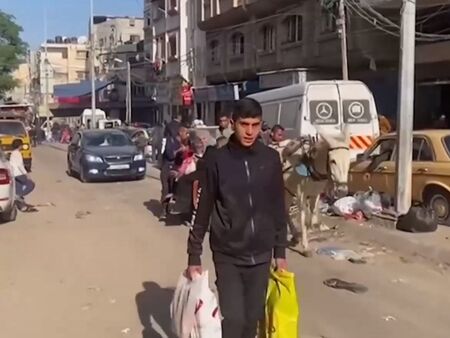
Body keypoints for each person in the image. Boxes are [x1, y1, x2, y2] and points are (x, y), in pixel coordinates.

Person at [187, 98, 288, 338]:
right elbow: (205, 206)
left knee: (252, 319)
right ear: (233, 123)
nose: (250, 131)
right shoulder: (217, 160)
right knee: (233, 320)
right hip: (228, 253)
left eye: (255, 125)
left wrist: (280, 252)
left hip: (261, 254)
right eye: (244, 124)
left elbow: (277, 207)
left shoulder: (270, 159)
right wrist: (194, 253)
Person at [159, 125, 190, 220]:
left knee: (175, 190)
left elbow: (189, 155)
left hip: (178, 168)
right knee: (166, 189)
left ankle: (174, 209)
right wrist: (180, 151)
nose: (187, 135)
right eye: (186, 133)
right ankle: (164, 210)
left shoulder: (186, 142)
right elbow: (170, 154)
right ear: (180, 133)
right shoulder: (170, 140)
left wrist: (187, 152)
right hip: (167, 168)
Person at [9, 139, 35, 207]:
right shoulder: (18, 153)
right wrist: (26, 174)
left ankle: (20, 202)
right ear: (19, 146)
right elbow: (20, 165)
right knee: (31, 184)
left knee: (18, 188)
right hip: (19, 173)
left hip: (13, 174)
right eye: (22, 145)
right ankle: (18, 196)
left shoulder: (12, 153)